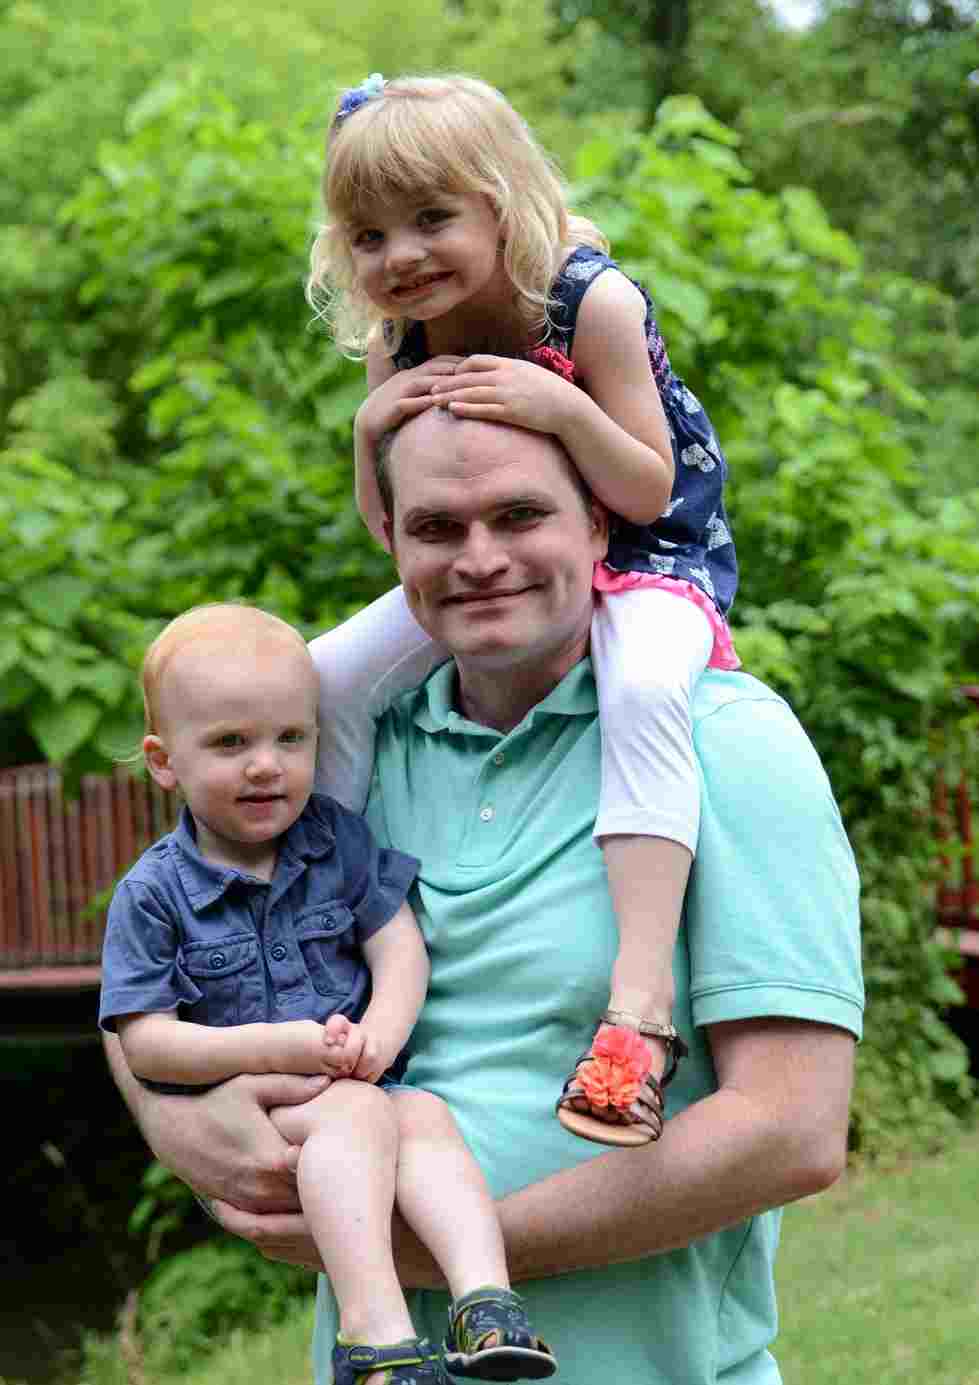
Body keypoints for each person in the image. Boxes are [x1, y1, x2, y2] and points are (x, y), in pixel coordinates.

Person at [104, 407, 863, 1385]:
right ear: (391, 540)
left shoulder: (725, 742)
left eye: (519, 514)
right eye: (436, 526)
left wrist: (458, 1257)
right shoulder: (339, 762)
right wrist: (175, 1125)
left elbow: (792, 1130)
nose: (479, 558)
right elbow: (156, 966)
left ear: (599, 521)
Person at [305, 72, 742, 1146]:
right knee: (325, 677)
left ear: (501, 204)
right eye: (370, 236)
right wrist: (369, 431)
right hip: (494, 558)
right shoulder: (399, 337)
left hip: (647, 552)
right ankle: (323, 933)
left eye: (431, 219)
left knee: (642, 687)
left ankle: (638, 1004)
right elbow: (390, 523)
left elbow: (649, 487)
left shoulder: (591, 302)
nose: (402, 257)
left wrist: (560, 407)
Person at [98, 603, 556, 1385]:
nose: (266, 765)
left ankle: (485, 1301)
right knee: (358, 1114)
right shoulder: (153, 894)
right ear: (164, 761)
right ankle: (373, 1334)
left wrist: (381, 1032)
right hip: (259, 1101)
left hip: (355, 1077)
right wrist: (275, 1048)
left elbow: (397, 945)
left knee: (422, 1113)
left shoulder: (332, 840)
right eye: (230, 743)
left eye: (291, 738)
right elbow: (145, 1039)